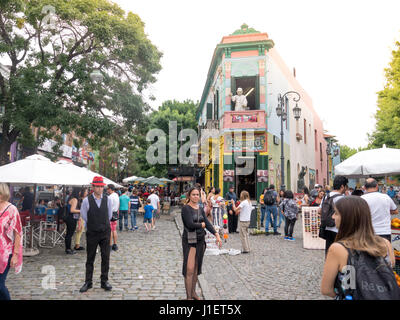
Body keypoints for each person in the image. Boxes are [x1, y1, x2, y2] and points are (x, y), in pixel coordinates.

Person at [320, 196, 400, 300]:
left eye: (336, 213)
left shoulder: (339, 249)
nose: (333, 217)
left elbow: (326, 289)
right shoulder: (385, 244)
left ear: (347, 218)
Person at [181, 187, 222, 300]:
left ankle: (193, 293)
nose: (196, 196)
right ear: (189, 196)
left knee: (195, 269)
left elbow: (208, 223)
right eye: (193, 194)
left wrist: (216, 234)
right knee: (189, 269)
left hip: (200, 241)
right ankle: (188, 297)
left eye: (197, 194)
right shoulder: (186, 209)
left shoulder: (200, 208)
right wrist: (201, 225)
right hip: (190, 241)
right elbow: (189, 224)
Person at [79, 177, 113, 293]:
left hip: (105, 232)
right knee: (90, 258)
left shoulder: (108, 200)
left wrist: (102, 224)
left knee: (106, 257)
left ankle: (104, 281)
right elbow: (84, 216)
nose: (100, 188)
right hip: (92, 233)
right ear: (92, 187)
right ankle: (88, 282)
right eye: (97, 186)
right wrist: (94, 223)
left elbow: (109, 215)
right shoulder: (86, 201)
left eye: (101, 186)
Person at [0, 183, 23, 300]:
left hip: (5, 253)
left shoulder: (12, 209)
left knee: (0, 284)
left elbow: (17, 232)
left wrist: (15, 255)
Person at [321, 175, 348, 255]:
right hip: (338, 229)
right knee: (339, 252)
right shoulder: (342, 198)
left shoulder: (326, 196)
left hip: (328, 228)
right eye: (346, 186)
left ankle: (329, 265)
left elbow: (320, 210)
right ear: (342, 186)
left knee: (329, 252)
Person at [65, 187, 81, 255]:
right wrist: (81, 210)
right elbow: (72, 210)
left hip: (70, 218)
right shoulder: (75, 199)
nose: (81, 193)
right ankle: (68, 249)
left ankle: (68, 248)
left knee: (69, 233)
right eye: (80, 191)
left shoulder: (71, 198)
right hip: (71, 218)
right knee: (69, 234)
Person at [107, 184, 120, 251]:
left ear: (110, 189)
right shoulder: (116, 195)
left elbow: (108, 206)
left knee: (110, 230)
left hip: (110, 214)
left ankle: (110, 245)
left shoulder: (110, 197)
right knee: (114, 230)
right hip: (115, 213)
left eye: (107, 189)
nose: (107, 190)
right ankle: (115, 245)